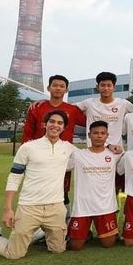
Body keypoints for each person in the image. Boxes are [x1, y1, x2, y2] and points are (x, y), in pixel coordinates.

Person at [0, 110, 76, 259]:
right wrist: (7, 209)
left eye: (60, 123)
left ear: (64, 127)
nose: (55, 125)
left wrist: (112, 147)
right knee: (14, 254)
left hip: (55, 207)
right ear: (44, 124)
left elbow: (90, 154)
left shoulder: (68, 148)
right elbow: (14, 177)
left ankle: (37, 233)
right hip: (29, 206)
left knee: (58, 249)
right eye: (52, 122)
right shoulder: (28, 147)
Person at [22, 74, 86, 204]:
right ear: (48, 88)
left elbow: (90, 122)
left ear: (66, 90)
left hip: (63, 156)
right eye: (55, 85)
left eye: (62, 86)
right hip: (39, 155)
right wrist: (25, 154)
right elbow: (28, 132)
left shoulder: (72, 110)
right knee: (37, 188)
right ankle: (36, 218)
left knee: (63, 191)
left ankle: (63, 220)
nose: (58, 88)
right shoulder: (37, 107)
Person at [67, 121, 121, 250]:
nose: (99, 136)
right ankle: (85, 232)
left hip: (105, 207)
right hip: (83, 207)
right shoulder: (78, 155)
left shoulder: (114, 155)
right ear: (89, 135)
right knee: (75, 246)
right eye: (95, 133)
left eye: (102, 133)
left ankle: (95, 232)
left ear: (107, 135)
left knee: (108, 243)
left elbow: (127, 154)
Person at [77, 71, 133, 148]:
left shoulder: (123, 104)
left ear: (114, 87)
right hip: (94, 150)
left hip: (116, 151)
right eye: (102, 85)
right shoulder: (89, 103)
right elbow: (69, 108)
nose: (106, 88)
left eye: (109, 85)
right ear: (97, 87)